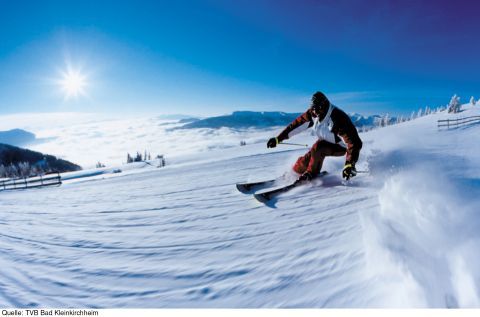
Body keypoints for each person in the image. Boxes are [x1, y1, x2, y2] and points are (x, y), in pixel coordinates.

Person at [267, 91, 362, 181]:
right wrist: (278, 139)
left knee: (318, 148)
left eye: (317, 108)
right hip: (324, 142)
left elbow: (353, 142)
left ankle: (311, 174)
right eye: (313, 108)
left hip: (340, 147)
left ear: (324, 106)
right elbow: (295, 125)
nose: (315, 112)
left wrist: (349, 163)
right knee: (307, 159)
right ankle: (294, 173)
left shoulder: (338, 118)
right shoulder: (313, 113)